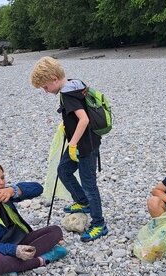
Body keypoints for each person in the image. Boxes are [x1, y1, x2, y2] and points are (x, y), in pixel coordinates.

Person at [30, 56, 108, 242]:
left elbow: (84, 119)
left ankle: (99, 224)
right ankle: (82, 202)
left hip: (85, 145)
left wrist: (72, 143)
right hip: (81, 142)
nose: (45, 91)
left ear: (55, 79)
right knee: (63, 170)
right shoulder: (74, 84)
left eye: (45, 87)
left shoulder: (67, 94)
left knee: (89, 184)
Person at [0, 161, 68, 276]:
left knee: (55, 231)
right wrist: (13, 250)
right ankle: (43, 259)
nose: (1, 182)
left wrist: (13, 190)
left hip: (19, 241)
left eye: (2, 177)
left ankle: (11, 268)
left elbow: (38, 188)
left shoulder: (5, 194)